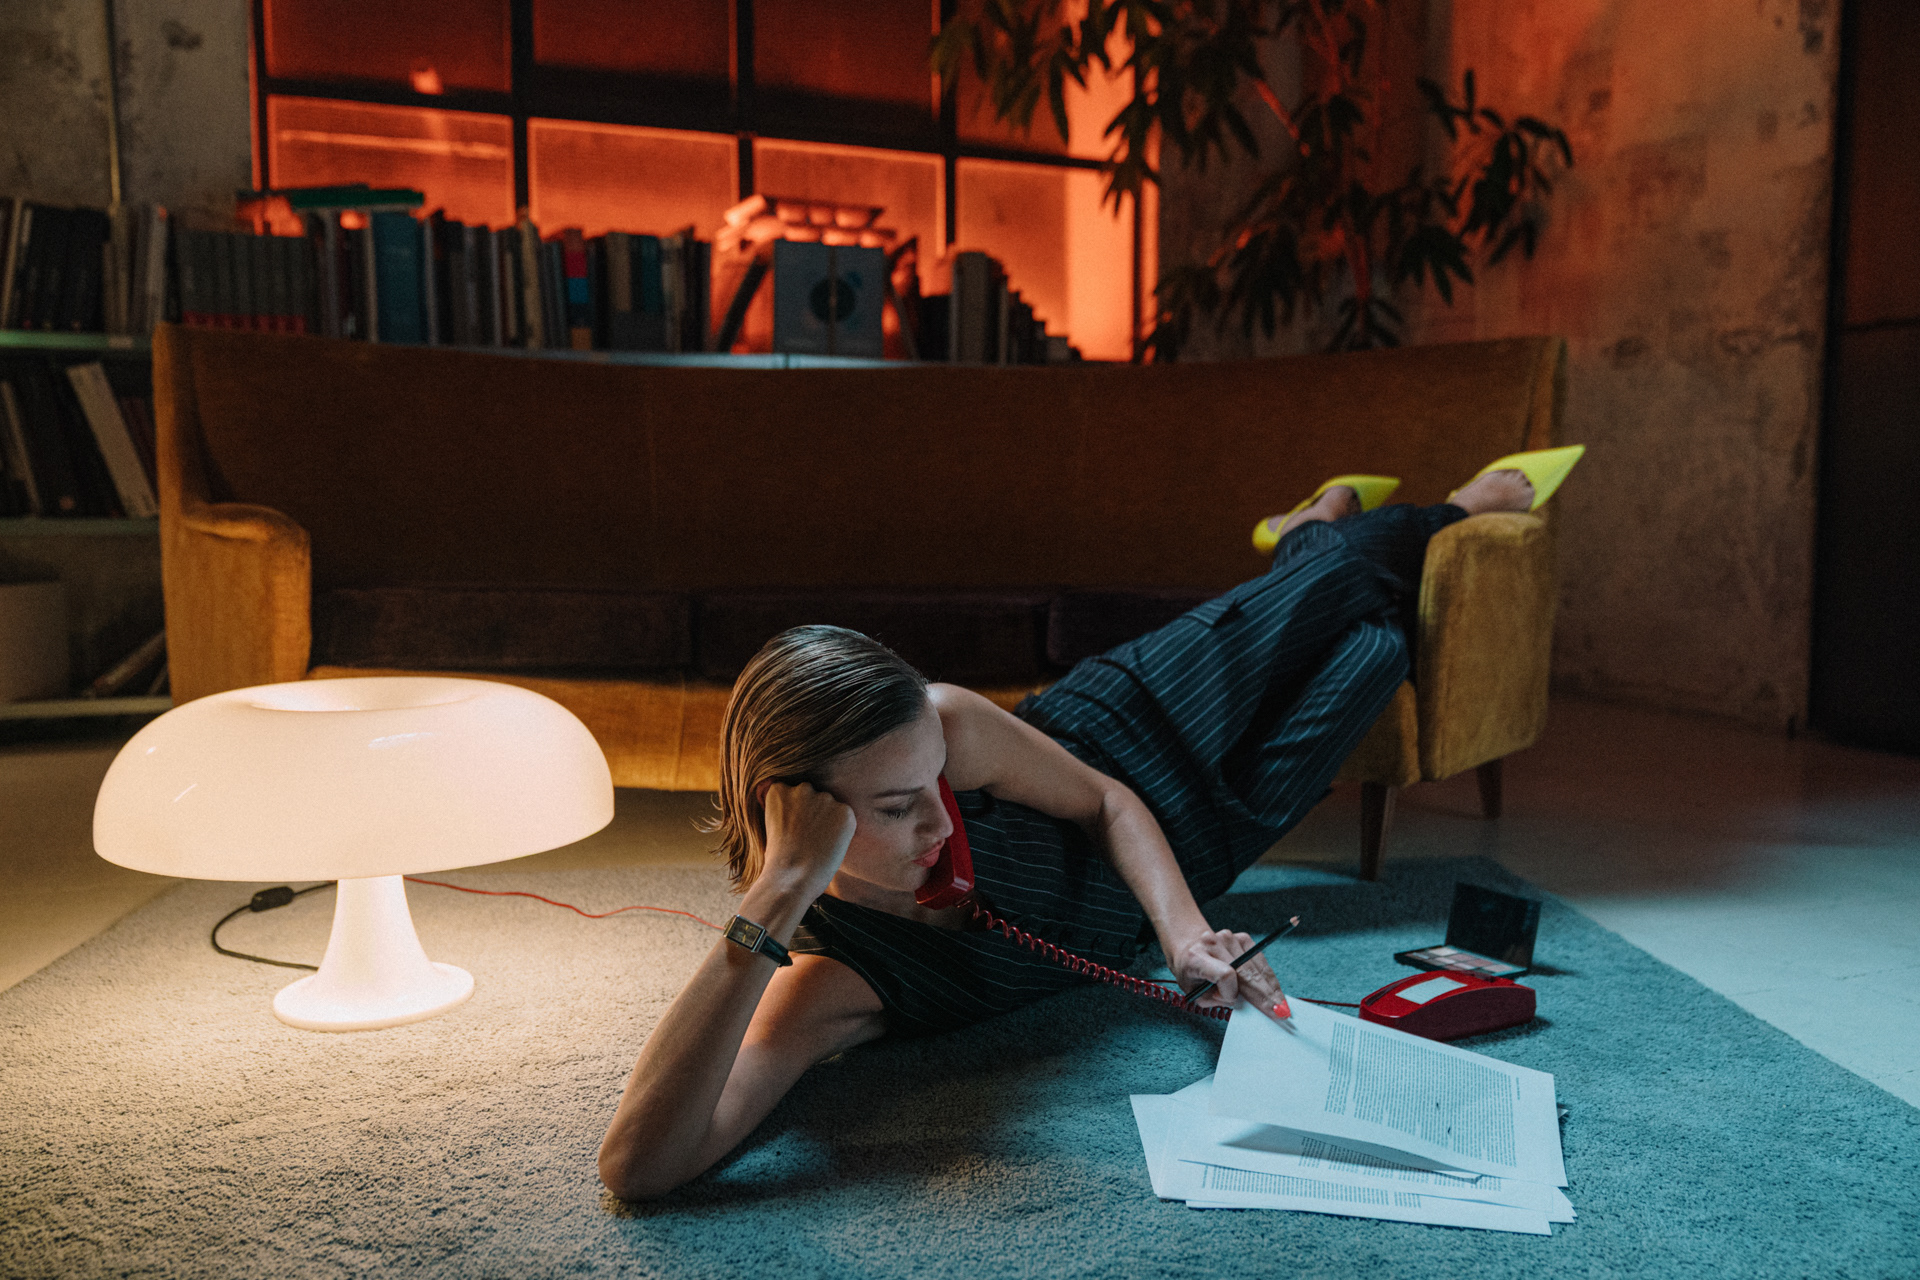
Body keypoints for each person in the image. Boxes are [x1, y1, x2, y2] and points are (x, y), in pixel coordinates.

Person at [598, 455, 1570, 1201]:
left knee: (1350, 584)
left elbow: (1106, 800)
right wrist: (776, 893)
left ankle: (1421, 513)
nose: (939, 818)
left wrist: (1186, 938)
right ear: (792, 815)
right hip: (1204, 840)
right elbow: (637, 1164)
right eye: (896, 807)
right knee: (1378, 649)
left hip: (1137, 728)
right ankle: (1314, 530)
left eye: (935, 781)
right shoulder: (831, 982)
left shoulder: (947, 721)